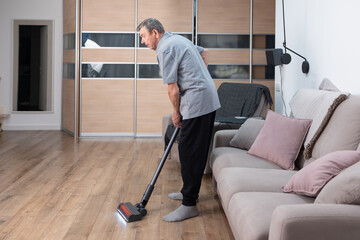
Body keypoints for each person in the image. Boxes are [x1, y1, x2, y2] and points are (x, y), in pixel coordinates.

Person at [137, 18, 220, 222]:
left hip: (198, 103)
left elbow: (172, 89)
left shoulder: (165, 49)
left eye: (143, 36)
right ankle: (187, 192)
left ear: (155, 32)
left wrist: (176, 113)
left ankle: (189, 204)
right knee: (190, 149)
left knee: (190, 151)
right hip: (205, 98)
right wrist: (202, 78)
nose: (142, 42)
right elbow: (205, 52)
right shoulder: (176, 39)